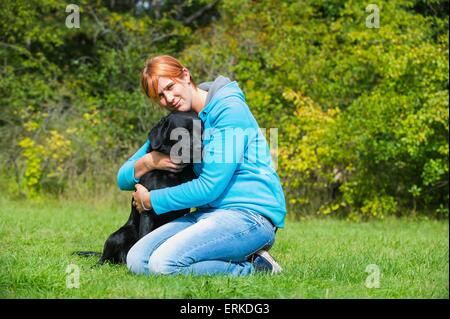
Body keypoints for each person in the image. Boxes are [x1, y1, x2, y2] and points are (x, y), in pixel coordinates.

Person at [119, 55, 287, 276]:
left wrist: (150, 201)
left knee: (163, 264)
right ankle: (229, 255)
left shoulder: (229, 110)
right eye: (160, 95)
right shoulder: (182, 119)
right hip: (207, 215)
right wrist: (150, 161)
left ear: (186, 75)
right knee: (136, 260)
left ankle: (256, 267)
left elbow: (210, 187)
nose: (168, 98)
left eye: (170, 86)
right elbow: (123, 177)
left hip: (249, 216)